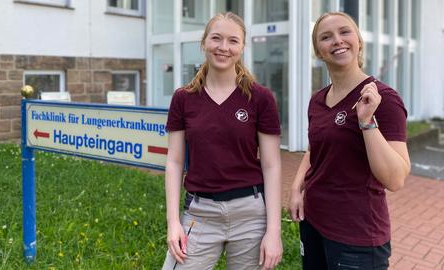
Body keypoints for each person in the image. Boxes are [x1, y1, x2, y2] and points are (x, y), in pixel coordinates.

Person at [288, 12, 411, 270]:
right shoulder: (318, 100)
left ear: (358, 41)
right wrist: (297, 187)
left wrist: (366, 121)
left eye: (344, 32)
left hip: (357, 235)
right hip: (314, 223)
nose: (337, 40)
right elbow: (315, 149)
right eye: (326, 37)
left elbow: (396, 178)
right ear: (318, 51)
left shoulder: (383, 98)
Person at [162, 12, 283, 270]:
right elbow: (173, 161)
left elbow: (271, 165)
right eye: (216, 38)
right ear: (204, 43)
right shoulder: (183, 98)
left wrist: (274, 231)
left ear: (242, 47)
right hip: (199, 213)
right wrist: (173, 222)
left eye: (233, 41)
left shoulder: (260, 98)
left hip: (250, 215)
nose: (224, 48)